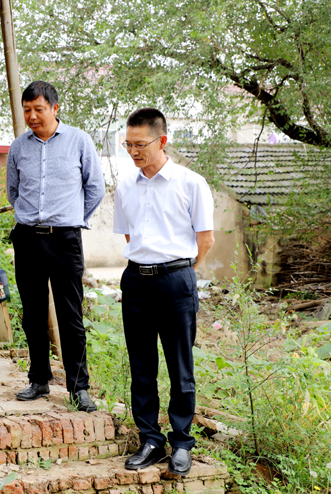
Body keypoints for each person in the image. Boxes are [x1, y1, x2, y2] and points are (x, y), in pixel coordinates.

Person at [113, 108, 214, 476]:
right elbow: (130, 235)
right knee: (141, 366)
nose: (133, 151)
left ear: (162, 141)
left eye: (140, 144)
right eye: (128, 144)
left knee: (180, 367)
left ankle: (182, 441)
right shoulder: (125, 186)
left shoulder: (191, 183)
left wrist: (181, 273)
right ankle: (150, 440)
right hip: (136, 280)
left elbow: (205, 239)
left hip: (176, 280)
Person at [6, 81, 105, 411]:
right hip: (28, 239)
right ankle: (39, 380)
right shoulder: (18, 147)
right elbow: (13, 192)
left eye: (39, 109)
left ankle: (79, 387)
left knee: (70, 314)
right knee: (33, 314)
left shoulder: (79, 140)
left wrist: (74, 218)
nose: (32, 116)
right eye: (27, 110)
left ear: (54, 108)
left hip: (65, 240)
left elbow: (95, 188)